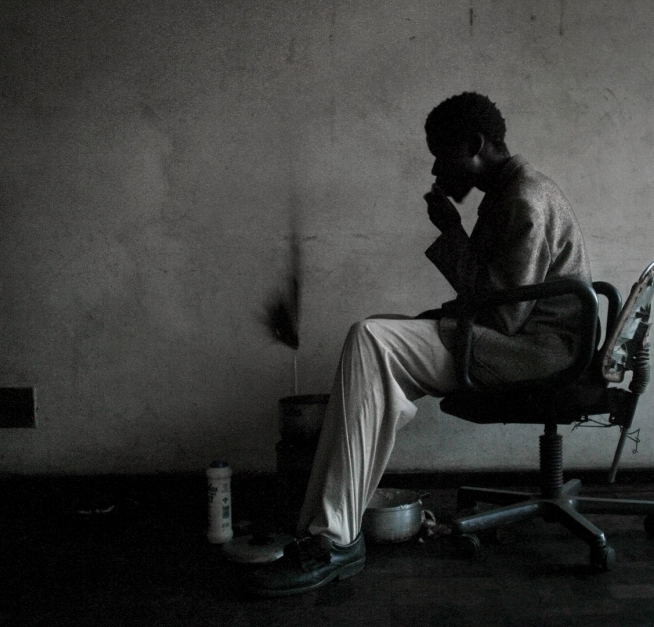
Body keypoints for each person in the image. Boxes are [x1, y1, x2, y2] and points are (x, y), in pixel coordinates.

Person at [247, 92, 591, 597]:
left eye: (440, 152)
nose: (434, 166)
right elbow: (497, 293)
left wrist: (452, 232)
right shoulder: (512, 189)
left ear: (475, 145)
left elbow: (503, 314)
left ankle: (333, 537)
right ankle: (322, 528)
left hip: (533, 354)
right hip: (528, 344)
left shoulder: (523, 198)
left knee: (371, 338)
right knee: (376, 339)